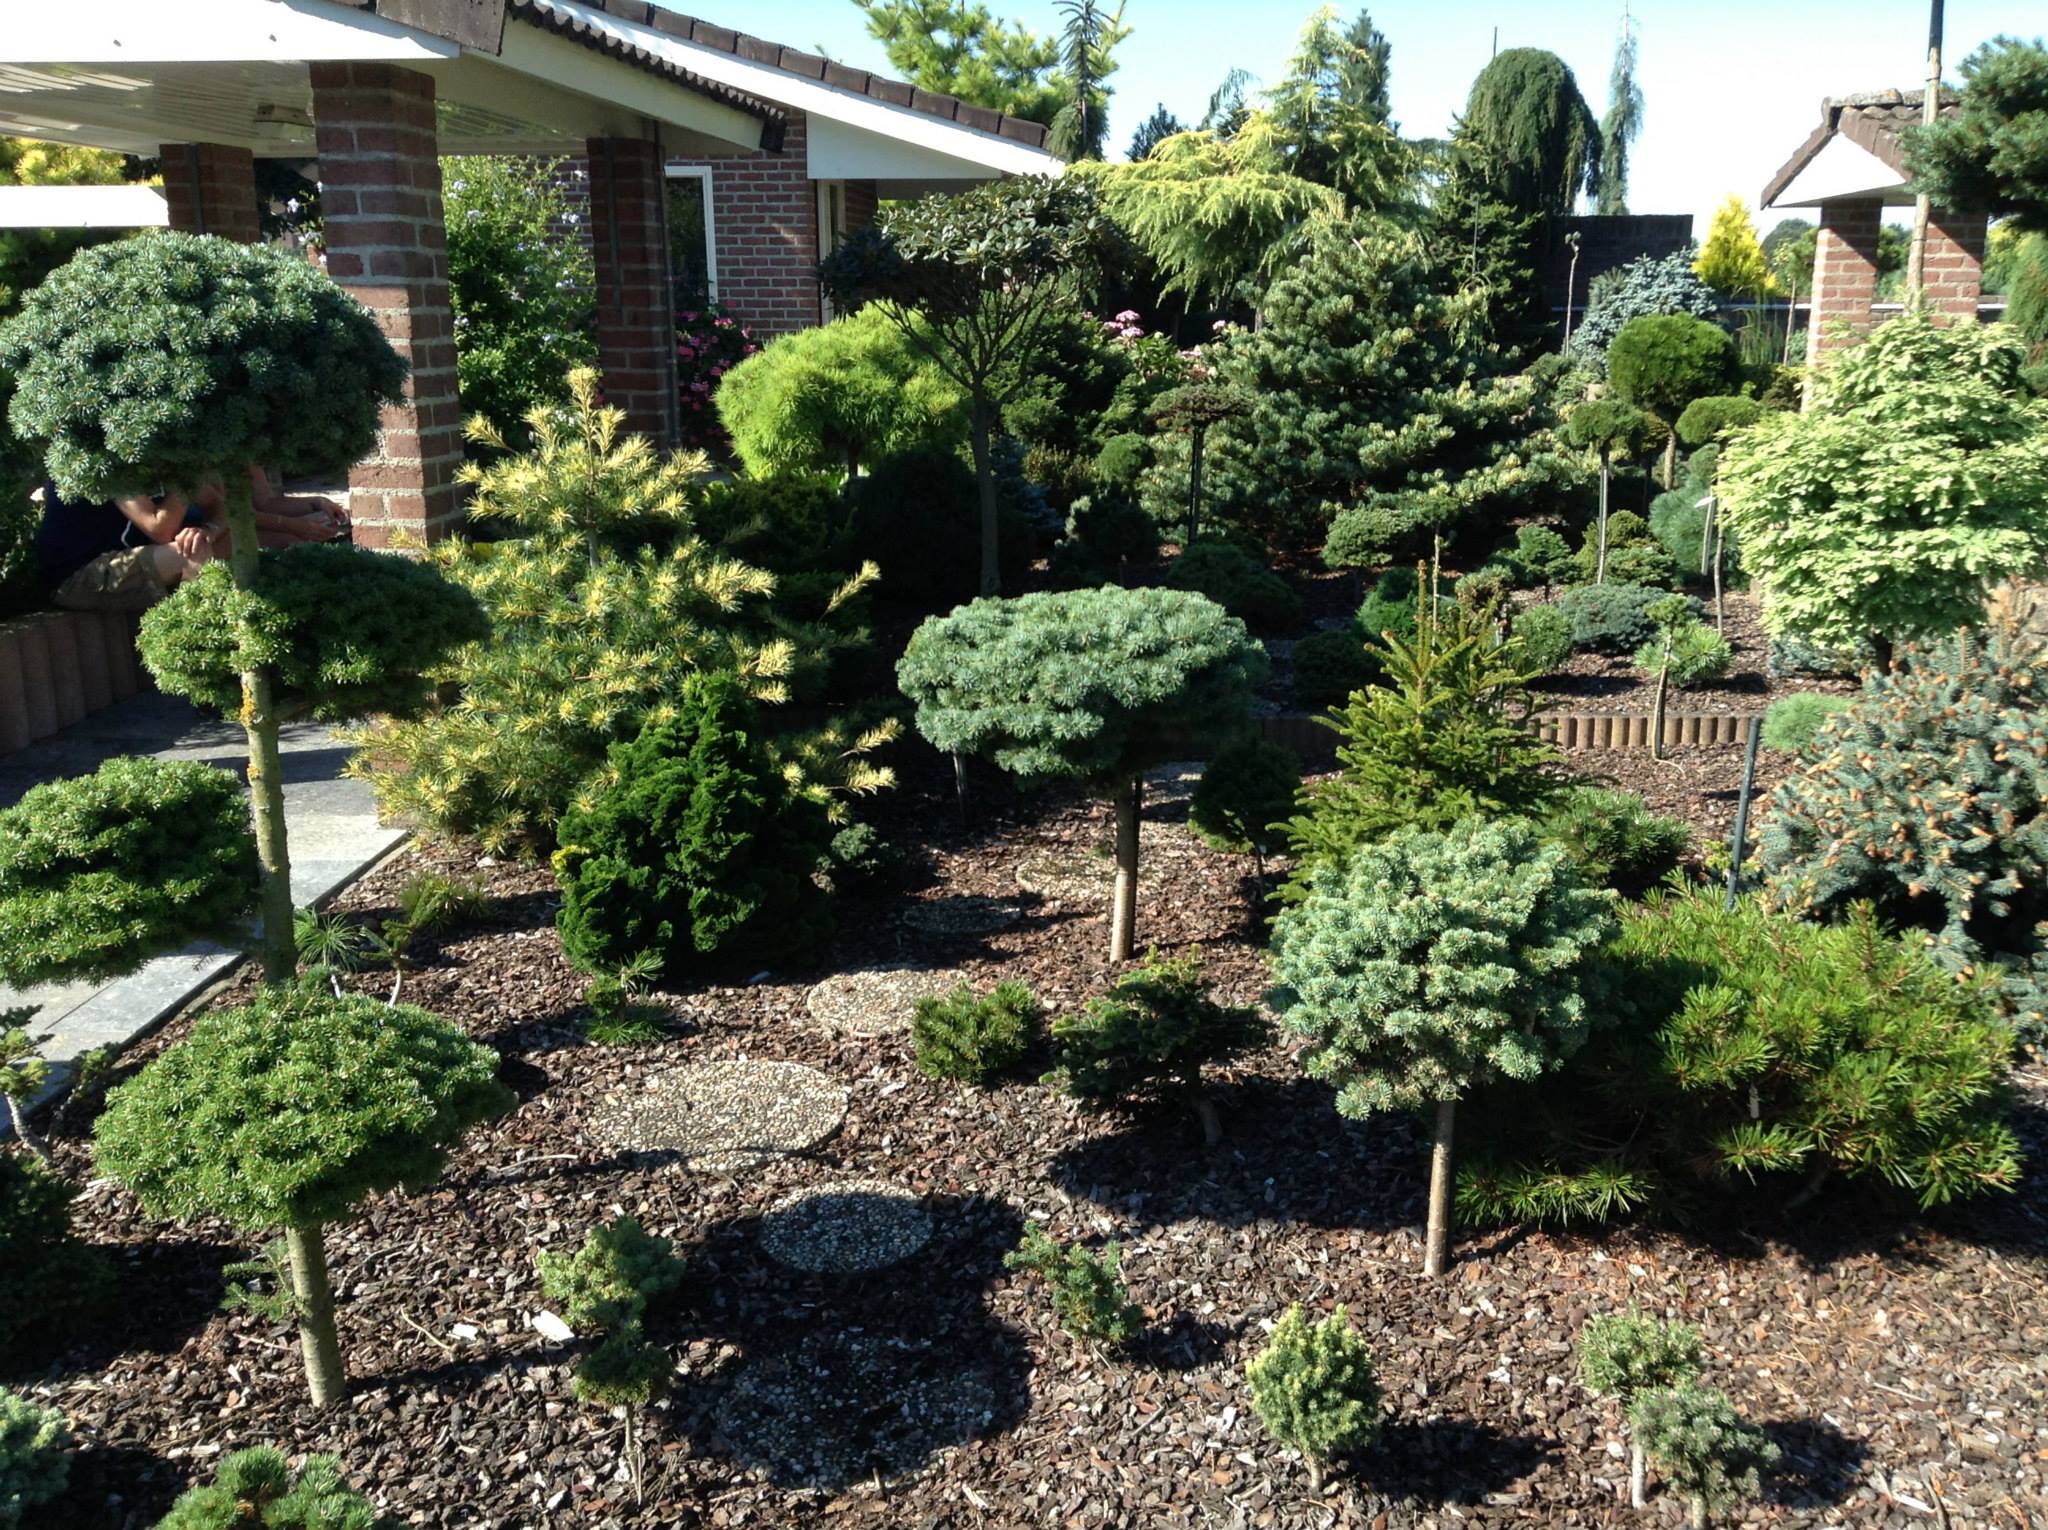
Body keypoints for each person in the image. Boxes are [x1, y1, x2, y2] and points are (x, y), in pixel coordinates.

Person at [38, 467, 349, 612]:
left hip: (142, 557)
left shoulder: (169, 461)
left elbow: (225, 510)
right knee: (193, 551)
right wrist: (187, 481)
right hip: (84, 576)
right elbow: (158, 529)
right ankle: (204, 663)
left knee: (264, 541)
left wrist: (209, 529)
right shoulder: (108, 466)